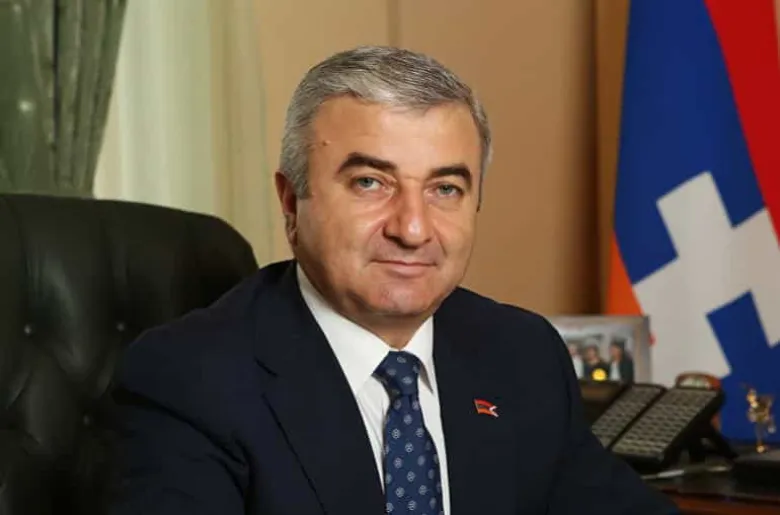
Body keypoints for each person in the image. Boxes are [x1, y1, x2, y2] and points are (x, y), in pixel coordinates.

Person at [109, 46, 678, 514]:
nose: (412, 228)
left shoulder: (521, 354)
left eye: (445, 189)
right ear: (290, 201)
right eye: (370, 183)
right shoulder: (191, 378)